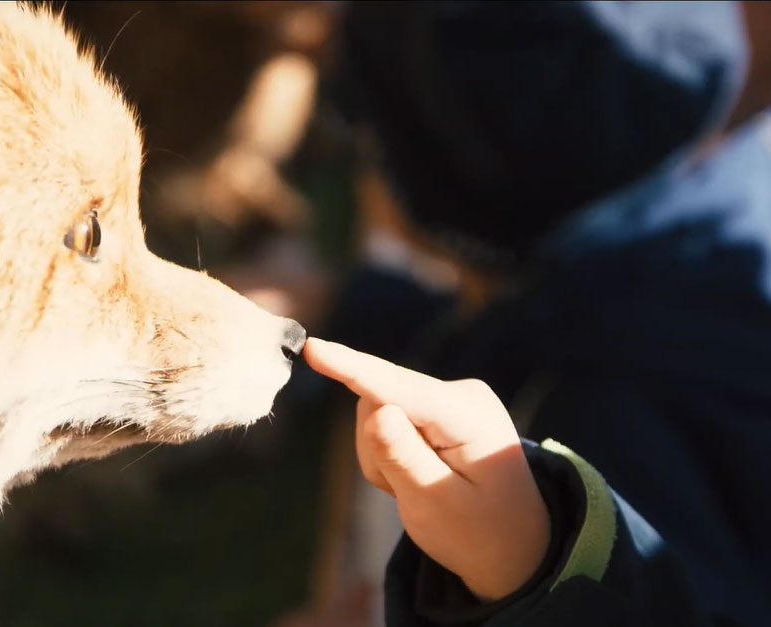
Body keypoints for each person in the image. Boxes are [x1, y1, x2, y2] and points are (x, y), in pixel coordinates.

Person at [299, 2, 771, 625]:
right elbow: (518, 326)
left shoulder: (605, 421)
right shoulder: (720, 202)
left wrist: (530, 565)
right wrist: (353, 310)